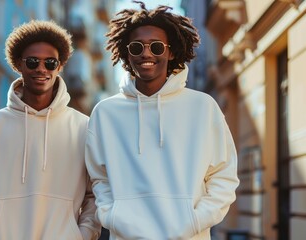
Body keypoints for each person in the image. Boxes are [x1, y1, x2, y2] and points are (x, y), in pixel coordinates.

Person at [85, 2, 240, 239]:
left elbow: (223, 175)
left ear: (171, 51)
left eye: (156, 47)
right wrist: (114, 216)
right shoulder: (105, 113)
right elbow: (99, 179)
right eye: (137, 47)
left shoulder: (202, 107)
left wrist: (193, 221)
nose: (146, 53)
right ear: (127, 52)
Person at [0, 20, 100, 239]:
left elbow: (94, 195)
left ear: (60, 66)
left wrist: (82, 234)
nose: (41, 69)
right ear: (18, 64)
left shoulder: (83, 127)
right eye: (32, 62)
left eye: (50, 63)